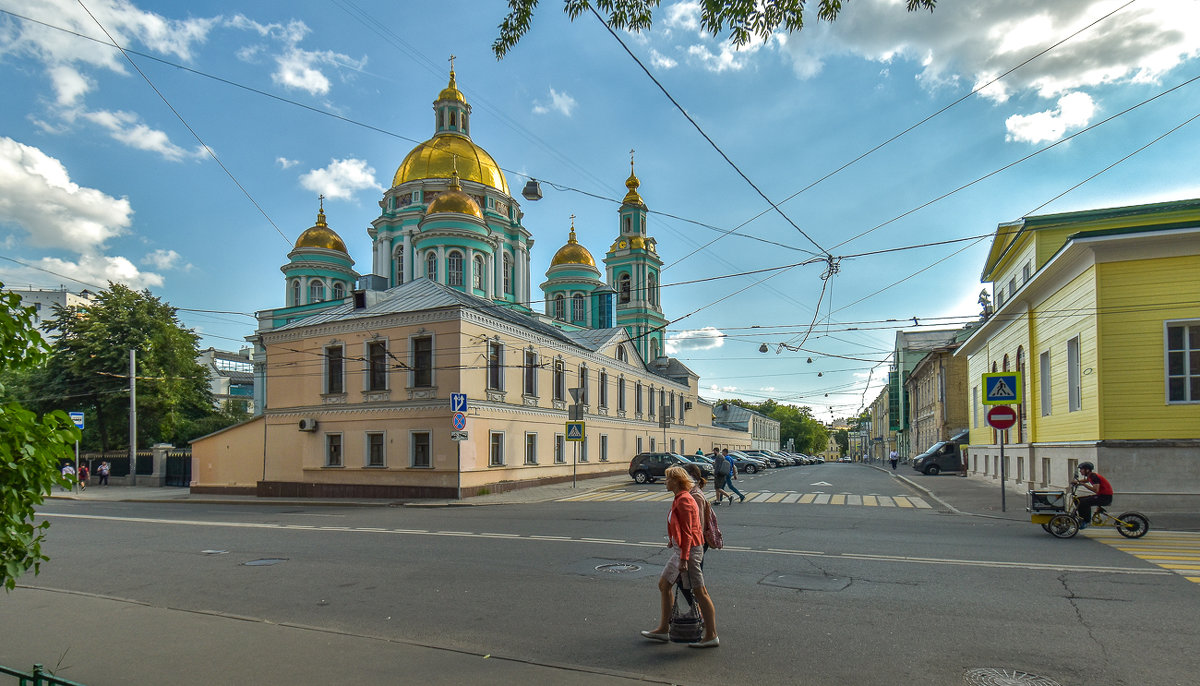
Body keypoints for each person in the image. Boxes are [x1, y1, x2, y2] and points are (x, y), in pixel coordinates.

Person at [640, 465, 719, 649]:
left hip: (688, 551)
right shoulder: (679, 498)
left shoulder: (685, 500)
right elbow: (678, 526)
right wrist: (672, 540)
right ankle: (663, 630)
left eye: (668, 479)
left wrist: (684, 558)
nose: (665, 482)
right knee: (664, 584)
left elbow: (689, 531)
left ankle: (711, 635)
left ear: (676, 481)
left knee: (700, 592)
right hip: (681, 549)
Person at [1071, 462, 1113, 529]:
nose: (1080, 471)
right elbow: (1087, 480)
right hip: (1102, 496)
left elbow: (1096, 490)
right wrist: (1077, 482)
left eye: (1081, 469)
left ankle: (1086, 521)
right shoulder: (1091, 476)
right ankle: (1082, 518)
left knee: (1083, 502)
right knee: (1077, 500)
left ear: (1087, 470)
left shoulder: (1094, 477)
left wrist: (1083, 484)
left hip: (1105, 497)